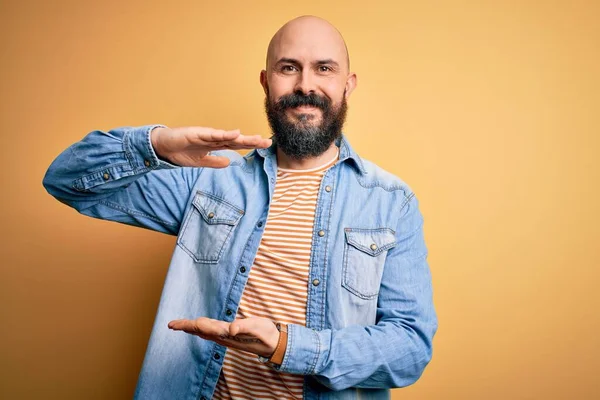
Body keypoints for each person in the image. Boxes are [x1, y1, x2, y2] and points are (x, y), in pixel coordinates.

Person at [43, 15, 437, 400]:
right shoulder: (207, 178)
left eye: (324, 68)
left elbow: (410, 349)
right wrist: (157, 145)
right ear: (266, 83)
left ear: (347, 85)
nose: (305, 84)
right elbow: (66, 180)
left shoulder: (389, 202)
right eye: (288, 67)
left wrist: (287, 347)